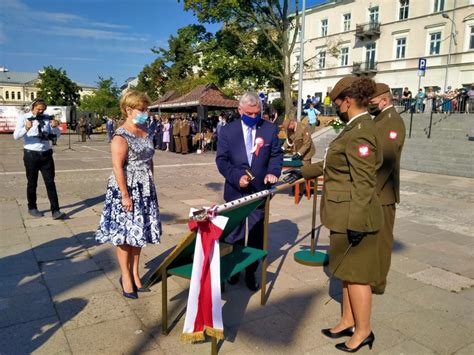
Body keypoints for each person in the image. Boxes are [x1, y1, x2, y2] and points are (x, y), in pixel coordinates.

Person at [284, 77, 382, 352]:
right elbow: (332, 164)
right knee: (346, 273)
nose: (335, 107)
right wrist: (301, 172)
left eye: (336, 102)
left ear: (347, 102)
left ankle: (364, 331)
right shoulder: (352, 128)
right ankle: (348, 320)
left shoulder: (361, 131)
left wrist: (358, 221)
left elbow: (364, 181)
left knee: (358, 276)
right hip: (343, 213)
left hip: (354, 214)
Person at [96, 90, 162, 299]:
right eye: (141, 109)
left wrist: (151, 179)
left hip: (144, 189)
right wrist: (125, 195)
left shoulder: (145, 130)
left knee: (139, 232)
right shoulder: (120, 136)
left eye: (146, 109)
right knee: (125, 235)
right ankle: (125, 276)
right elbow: (117, 167)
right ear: (128, 110)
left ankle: (135, 273)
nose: (145, 113)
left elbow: (149, 157)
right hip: (127, 189)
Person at [216, 91, 283, 291]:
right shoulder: (228, 131)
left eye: (257, 113)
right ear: (240, 110)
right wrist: (237, 177)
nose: (254, 117)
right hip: (235, 191)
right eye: (249, 113)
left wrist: (273, 172)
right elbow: (221, 160)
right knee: (234, 234)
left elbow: (276, 155)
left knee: (255, 234)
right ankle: (234, 269)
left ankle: (251, 271)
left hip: (259, 193)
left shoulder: (270, 129)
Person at [368, 83, 406, 295]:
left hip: (383, 193)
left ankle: (378, 282)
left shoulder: (392, 122)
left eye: (372, 102)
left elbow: (387, 161)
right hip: (376, 191)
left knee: (382, 240)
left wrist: (371, 191)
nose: (369, 105)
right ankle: (372, 274)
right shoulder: (380, 119)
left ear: (384, 100)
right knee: (373, 240)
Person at [13, 99, 65, 219]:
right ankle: (32, 207)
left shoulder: (47, 118)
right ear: (33, 107)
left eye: (43, 109)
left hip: (46, 154)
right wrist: (26, 128)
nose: (41, 111)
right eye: (38, 109)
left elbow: (56, 135)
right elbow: (15, 136)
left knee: (50, 182)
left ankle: (56, 210)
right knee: (32, 183)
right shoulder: (24, 117)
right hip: (31, 154)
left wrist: (56, 127)